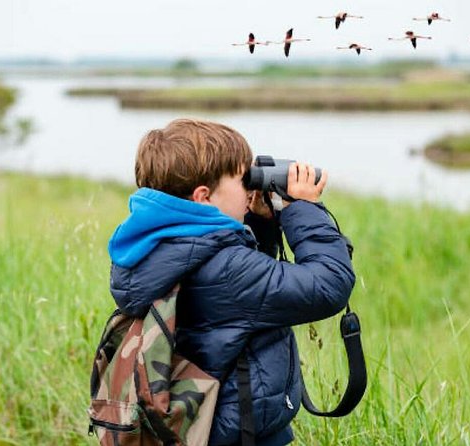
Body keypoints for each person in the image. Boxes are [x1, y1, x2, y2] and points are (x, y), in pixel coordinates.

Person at [107, 118, 355, 445]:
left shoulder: (158, 248)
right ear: (203, 197)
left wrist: (260, 225)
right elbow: (329, 285)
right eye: (242, 181)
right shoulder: (227, 268)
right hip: (241, 432)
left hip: (201, 423)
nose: (252, 189)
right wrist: (303, 210)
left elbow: (241, 296)